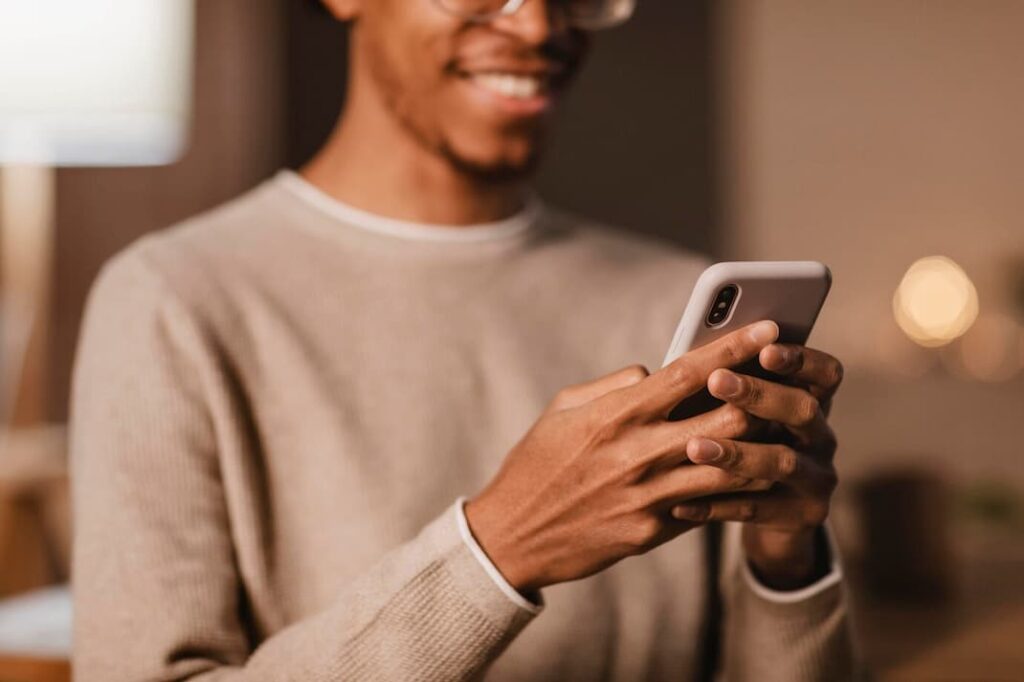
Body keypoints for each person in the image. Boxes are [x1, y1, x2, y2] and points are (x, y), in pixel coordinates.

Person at [71, 0, 857, 679]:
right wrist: (498, 551)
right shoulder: (173, 302)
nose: (540, 25)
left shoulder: (674, 300)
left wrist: (786, 566)